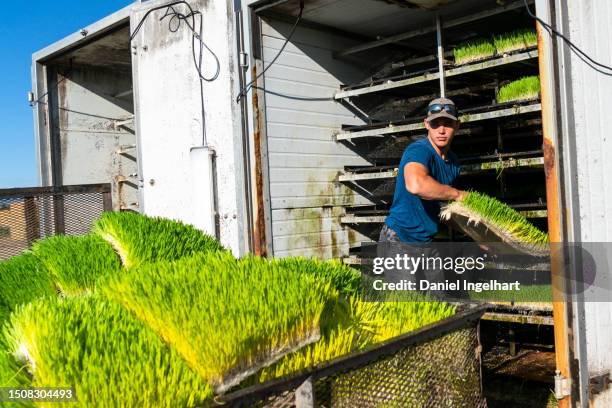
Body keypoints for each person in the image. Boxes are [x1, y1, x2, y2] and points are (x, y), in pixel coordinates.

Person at [380, 97, 466, 244]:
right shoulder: (418, 150)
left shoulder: (454, 163)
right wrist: (457, 194)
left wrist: (476, 235)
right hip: (398, 238)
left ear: (457, 125)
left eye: (448, 124)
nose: (441, 130)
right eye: (435, 124)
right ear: (426, 124)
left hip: (426, 241)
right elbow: (416, 185)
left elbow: (442, 207)